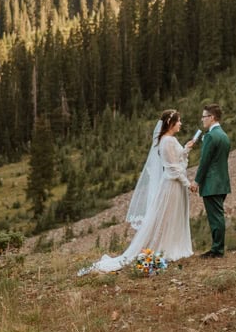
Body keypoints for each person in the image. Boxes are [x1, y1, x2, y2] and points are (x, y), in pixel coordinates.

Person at [79, 109, 194, 274]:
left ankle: (168, 246)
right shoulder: (167, 141)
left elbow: (177, 160)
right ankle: (161, 249)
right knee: (166, 216)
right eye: (179, 121)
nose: (181, 124)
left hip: (174, 184)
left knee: (170, 216)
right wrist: (188, 183)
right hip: (172, 185)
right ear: (171, 123)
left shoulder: (169, 140)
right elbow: (172, 168)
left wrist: (187, 149)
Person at [189, 103, 231, 258]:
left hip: (212, 183)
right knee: (218, 216)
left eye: (204, 116)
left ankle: (217, 250)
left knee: (215, 218)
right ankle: (217, 248)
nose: (202, 120)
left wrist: (196, 181)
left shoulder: (210, 136)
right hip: (222, 182)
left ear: (212, 117)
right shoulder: (224, 135)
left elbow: (205, 161)